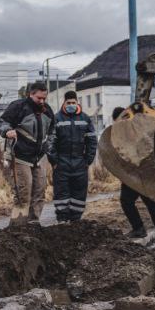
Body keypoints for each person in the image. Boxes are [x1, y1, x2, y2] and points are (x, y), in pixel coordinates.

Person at [0, 81, 55, 224]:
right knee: (23, 193)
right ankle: (18, 227)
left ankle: (34, 223)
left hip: (38, 157)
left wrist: (49, 144)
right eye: (38, 98)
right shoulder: (19, 106)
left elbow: (53, 130)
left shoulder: (47, 110)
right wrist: (7, 130)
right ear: (31, 94)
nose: (41, 101)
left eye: (44, 98)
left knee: (39, 192)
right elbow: (1, 122)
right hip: (20, 156)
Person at [113, 106, 155, 245]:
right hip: (131, 174)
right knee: (126, 201)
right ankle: (138, 228)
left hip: (145, 173)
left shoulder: (139, 129)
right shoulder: (118, 134)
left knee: (152, 203)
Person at [50, 91, 97, 222]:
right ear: (64, 103)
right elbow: (50, 142)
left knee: (79, 195)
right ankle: (62, 222)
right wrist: (54, 161)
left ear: (77, 103)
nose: (71, 105)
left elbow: (92, 141)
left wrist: (88, 160)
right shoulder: (56, 119)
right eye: (68, 103)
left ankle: (76, 222)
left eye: (73, 103)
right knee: (61, 195)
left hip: (80, 163)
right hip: (61, 163)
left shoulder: (85, 119)